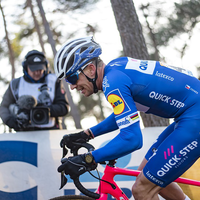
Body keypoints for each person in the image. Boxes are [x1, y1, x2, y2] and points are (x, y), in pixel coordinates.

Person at [53, 36, 198, 200]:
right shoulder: (116, 69)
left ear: (91, 69)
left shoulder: (112, 83)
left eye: (72, 78)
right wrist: (87, 134)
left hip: (194, 116)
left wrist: (88, 159)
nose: (72, 86)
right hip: (189, 114)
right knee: (146, 173)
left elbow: (132, 139)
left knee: (142, 189)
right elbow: (124, 113)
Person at [0, 50, 69, 131]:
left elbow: (64, 107)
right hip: (24, 134)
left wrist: (42, 109)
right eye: (33, 69)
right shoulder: (16, 85)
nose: (37, 72)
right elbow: (4, 107)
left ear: (46, 66)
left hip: (50, 132)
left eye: (40, 69)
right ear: (26, 67)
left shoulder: (54, 81)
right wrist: (12, 121)